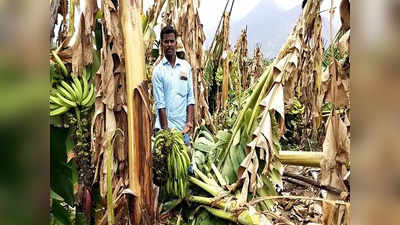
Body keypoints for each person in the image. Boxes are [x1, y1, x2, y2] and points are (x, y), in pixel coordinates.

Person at [152, 25, 195, 147]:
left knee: (186, 165)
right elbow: (160, 104)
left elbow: (190, 98)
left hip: (183, 131)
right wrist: (166, 132)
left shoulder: (185, 67)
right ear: (162, 44)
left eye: (172, 41)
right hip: (164, 132)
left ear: (176, 43)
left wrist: (189, 122)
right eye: (166, 42)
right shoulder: (158, 71)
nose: (169, 44)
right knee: (165, 166)